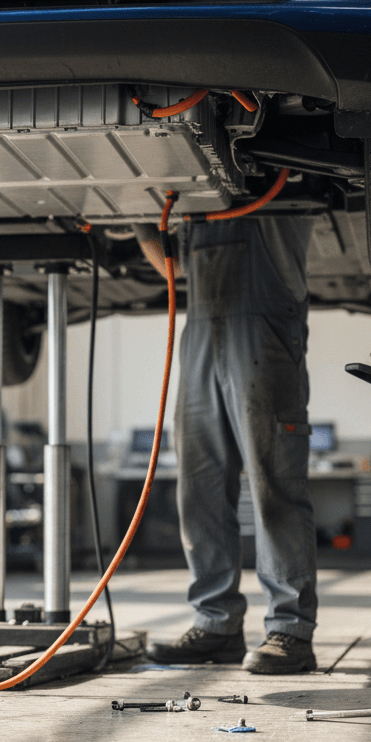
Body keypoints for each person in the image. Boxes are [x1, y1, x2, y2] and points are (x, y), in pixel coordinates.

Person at [134, 214, 318, 674]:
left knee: (273, 485)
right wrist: (140, 223)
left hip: (265, 330)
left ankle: (290, 631)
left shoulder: (274, 185)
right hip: (201, 335)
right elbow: (174, 271)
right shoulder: (194, 206)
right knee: (199, 488)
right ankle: (216, 623)